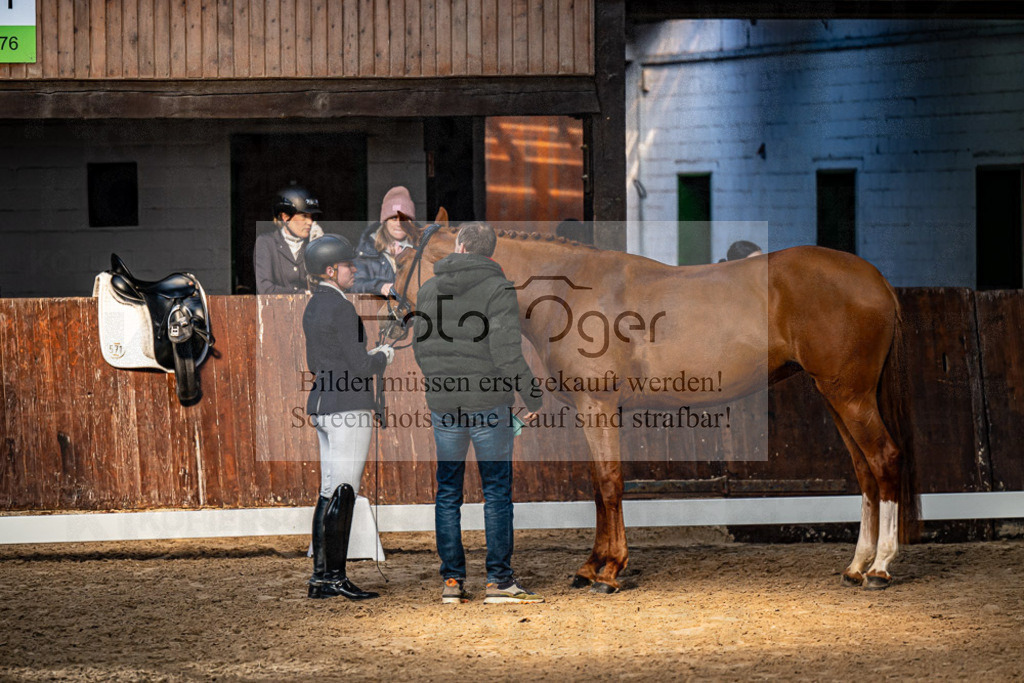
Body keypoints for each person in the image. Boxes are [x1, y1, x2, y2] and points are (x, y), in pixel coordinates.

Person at [411, 222, 545, 605]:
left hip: (443, 406)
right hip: (488, 406)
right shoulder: (498, 289)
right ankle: (499, 583)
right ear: (489, 253)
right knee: (497, 493)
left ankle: (452, 582)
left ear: (459, 245)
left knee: (448, 492)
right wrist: (532, 398)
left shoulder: (427, 288)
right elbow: (506, 353)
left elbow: (421, 351)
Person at [302, 234, 395, 600]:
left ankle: (320, 578)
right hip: (348, 406)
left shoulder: (314, 305)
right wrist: (383, 356)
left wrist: (369, 354)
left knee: (328, 492)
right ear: (330, 270)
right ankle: (335, 578)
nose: (353, 270)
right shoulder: (341, 308)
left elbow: (324, 360)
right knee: (344, 491)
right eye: (347, 266)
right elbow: (359, 365)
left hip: (323, 404)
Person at [254, 186, 322, 294]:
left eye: (311, 217)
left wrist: (320, 249)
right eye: (304, 216)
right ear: (285, 217)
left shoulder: (311, 244)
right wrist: (301, 294)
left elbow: (324, 287)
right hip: (277, 309)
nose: (310, 222)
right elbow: (265, 288)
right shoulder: (266, 242)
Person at [352, 186, 419, 296]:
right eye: (393, 218)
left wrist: (402, 263)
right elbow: (354, 284)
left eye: (405, 219)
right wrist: (379, 286)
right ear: (384, 221)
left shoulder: (421, 249)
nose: (399, 224)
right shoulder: (367, 249)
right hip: (377, 311)